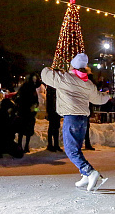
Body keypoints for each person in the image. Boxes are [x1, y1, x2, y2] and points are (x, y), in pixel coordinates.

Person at [41, 52, 110, 191]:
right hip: (83, 120)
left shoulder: (64, 78)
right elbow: (98, 99)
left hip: (71, 118)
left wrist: (55, 68)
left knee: (71, 151)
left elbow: (44, 74)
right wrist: (107, 96)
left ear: (72, 65)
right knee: (76, 149)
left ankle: (90, 172)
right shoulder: (87, 83)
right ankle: (85, 175)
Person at [15, 73, 41, 153]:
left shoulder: (33, 88)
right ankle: (20, 145)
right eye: (33, 79)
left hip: (30, 113)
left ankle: (26, 146)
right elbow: (20, 99)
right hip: (24, 111)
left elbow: (36, 101)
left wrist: (35, 109)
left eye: (35, 79)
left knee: (29, 130)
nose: (34, 80)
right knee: (22, 130)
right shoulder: (25, 87)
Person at [45, 85, 62, 152]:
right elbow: (49, 102)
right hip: (52, 111)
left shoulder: (57, 88)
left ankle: (56, 144)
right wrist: (48, 112)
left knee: (56, 128)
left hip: (57, 111)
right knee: (52, 128)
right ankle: (50, 145)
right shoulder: (50, 89)